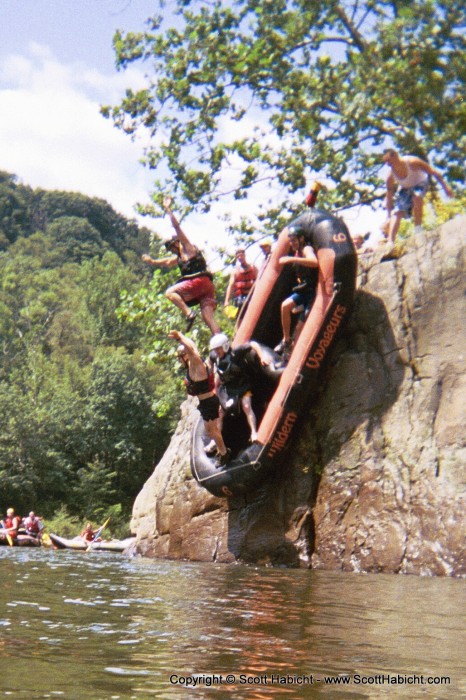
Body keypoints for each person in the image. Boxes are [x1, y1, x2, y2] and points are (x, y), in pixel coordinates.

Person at [142, 196, 220, 334]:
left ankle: (188, 313)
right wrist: (152, 261)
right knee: (207, 317)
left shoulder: (187, 248)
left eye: (173, 246)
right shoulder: (179, 257)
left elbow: (177, 227)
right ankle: (220, 341)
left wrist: (167, 208)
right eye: (170, 249)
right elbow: (166, 262)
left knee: (170, 292)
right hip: (207, 287)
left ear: (178, 242)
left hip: (199, 281)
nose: (173, 250)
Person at [168, 329, 230, 464]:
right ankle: (222, 450)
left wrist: (179, 338)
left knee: (212, 431)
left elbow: (191, 349)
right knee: (210, 431)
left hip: (209, 401)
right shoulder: (194, 365)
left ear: (184, 356)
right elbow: (192, 345)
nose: (180, 361)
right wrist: (182, 336)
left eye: (180, 357)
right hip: (205, 403)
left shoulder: (196, 363)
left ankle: (224, 453)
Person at [209, 333, 271, 443]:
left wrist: (262, 356)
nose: (217, 352)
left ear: (225, 346)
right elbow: (210, 363)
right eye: (215, 349)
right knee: (219, 413)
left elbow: (252, 344)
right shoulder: (215, 357)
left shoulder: (236, 353)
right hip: (228, 388)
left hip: (242, 385)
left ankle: (254, 432)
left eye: (219, 349)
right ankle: (216, 442)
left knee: (246, 406)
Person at [382, 148, 453, 243]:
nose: (389, 165)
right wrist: (388, 217)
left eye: (389, 161)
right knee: (397, 212)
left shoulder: (412, 162)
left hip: (420, 183)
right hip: (405, 188)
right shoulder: (390, 175)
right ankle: (390, 242)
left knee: (417, 197)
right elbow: (389, 195)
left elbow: (434, 172)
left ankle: (418, 229)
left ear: (395, 155)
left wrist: (446, 187)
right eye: (386, 163)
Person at [274, 230, 319, 356]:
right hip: (303, 290)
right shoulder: (297, 252)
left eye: (294, 240)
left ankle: (293, 355)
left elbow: (314, 262)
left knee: (299, 328)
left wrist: (291, 259)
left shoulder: (306, 249)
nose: (292, 243)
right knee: (285, 306)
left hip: (312, 292)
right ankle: (286, 340)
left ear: (301, 239)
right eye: (290, 241)